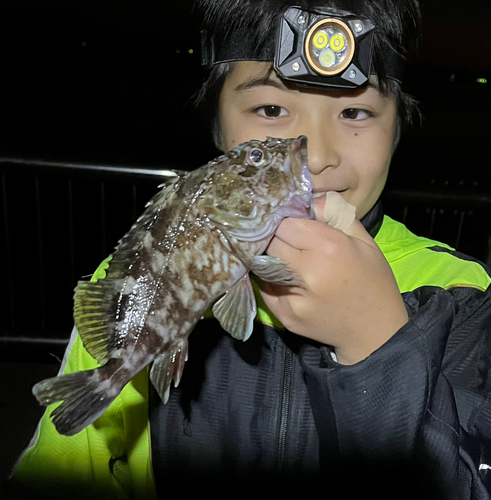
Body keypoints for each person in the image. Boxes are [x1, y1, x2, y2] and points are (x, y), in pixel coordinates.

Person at [10, 0, 491, 499]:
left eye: (354, 111)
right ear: (218, 129)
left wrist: (380, 346)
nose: (318, 155)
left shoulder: (463, 295)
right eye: (271, 110)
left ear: (398, 132)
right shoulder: (128, 285)